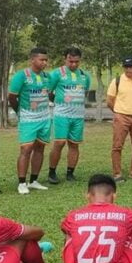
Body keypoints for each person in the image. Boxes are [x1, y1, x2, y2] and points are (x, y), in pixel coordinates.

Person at [8, 47, 52, 195]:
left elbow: (48, 94)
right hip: (28, 118)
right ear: (32, 60)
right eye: (41, 60)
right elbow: (12, 97)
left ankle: (34, 181)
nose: (44, 62)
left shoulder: (47, 77)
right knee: (26, 149)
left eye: (46, 60)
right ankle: (21, 183)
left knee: (40, 148)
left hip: (45, 117)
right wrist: (20, 111)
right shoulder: (22, 76)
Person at [47, 47, 91, 184]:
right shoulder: (56, 74)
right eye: (70, 61)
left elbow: (86, 92)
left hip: (78, 116)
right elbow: (48, 91)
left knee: (74, 144)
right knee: (59, 143)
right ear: (65, 59)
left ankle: (70, 173)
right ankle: (52, 172)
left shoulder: (85, 75)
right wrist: (58, 101)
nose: (73, 64)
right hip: (61, 114)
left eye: (76, 62)